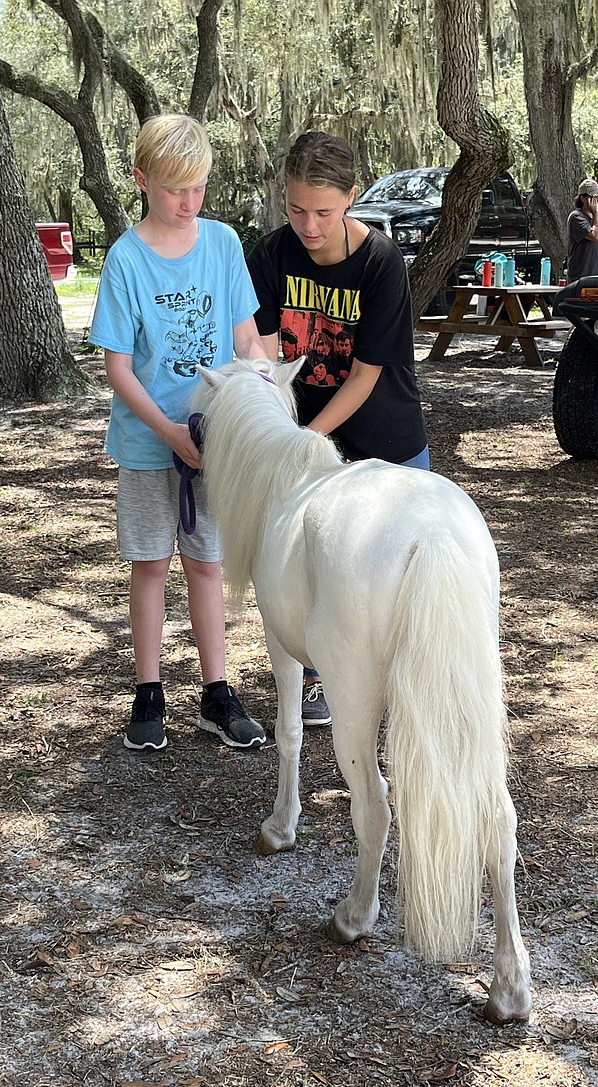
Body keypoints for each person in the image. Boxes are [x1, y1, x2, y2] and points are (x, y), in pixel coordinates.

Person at [89, 113, 268, 753]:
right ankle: (149, 690)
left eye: (198, 188)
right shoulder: (125, 259)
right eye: (175, 190)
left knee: (208, 563)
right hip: (147, 442)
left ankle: (217, 691)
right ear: (142, 181)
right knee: (150, 564)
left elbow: (246, 338)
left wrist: (262, 394)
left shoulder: (222, 245)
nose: (189, 202)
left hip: (212, 441)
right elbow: (116, 364)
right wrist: (166, 430)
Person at [247, 131, 429, 728]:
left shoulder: (382, 264)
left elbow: (366, 375)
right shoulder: (270, 256)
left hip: (385, 439)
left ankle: (408, 690)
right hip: (306, 438)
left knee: (404, 588)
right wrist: (287, 432)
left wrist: (307, 437)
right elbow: (270, 363)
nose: (309, 224)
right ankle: (322, 678)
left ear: (351, 198)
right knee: (316, 576)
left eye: (324, 211)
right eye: (297, 209)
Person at [566, 178, 598, 283]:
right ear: (583, 198)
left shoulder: (596, 220)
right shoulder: (577, 217)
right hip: (583, 279)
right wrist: (596, 212)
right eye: (593, 197)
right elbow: (595, 236)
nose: (597, 200)